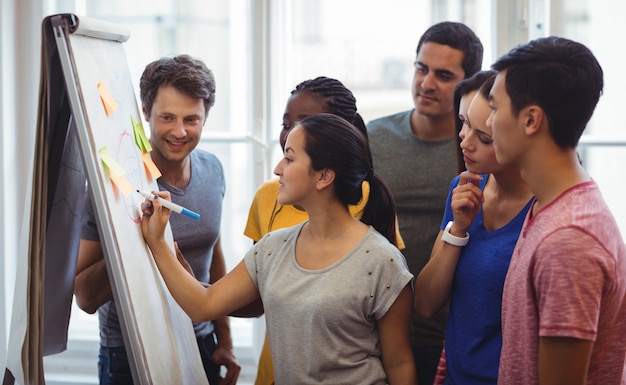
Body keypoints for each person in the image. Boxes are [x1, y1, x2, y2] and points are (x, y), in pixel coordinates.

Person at [141, 113, 417, 385]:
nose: (277, 169)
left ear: (324, 176)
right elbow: (204, 305)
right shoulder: (273, 248)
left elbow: (399, 363)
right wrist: (158, 242)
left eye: (289, 157)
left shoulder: (381, 261)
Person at [74, 55, 240, 385]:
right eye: (167, 117)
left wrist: (225, 341)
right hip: (131, 351)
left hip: (201, 341)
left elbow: (212, 255)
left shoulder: (213, 170)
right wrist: (139, 236)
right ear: (145, 112)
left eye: (192, 119)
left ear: (206, 117)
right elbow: (86, 297)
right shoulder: (114, 187)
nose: (179, 131)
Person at [243, 76, 406, 385]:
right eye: (286, 123)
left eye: (306, 123)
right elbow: (254, 295)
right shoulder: (270, 197)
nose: (291, 133)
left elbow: (388, 309)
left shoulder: (367, 199)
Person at [487, 36, 626, 384]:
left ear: (531, 120)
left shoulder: (568, 241)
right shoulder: (549, 204)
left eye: (494, 108)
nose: (489, 124)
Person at [367, 20, 483, 385]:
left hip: (452, 330)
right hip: (375, 326)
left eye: (444, 75)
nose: (426, 83)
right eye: (421, 68)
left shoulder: (481, 151)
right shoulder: (373, 138)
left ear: (468, 83)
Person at [414, 71, 534, 385]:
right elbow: (425, 304)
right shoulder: (464, 189)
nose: (464, 141)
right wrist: (458, 230)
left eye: (483, 137)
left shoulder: (544, 209)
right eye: (464, 123)